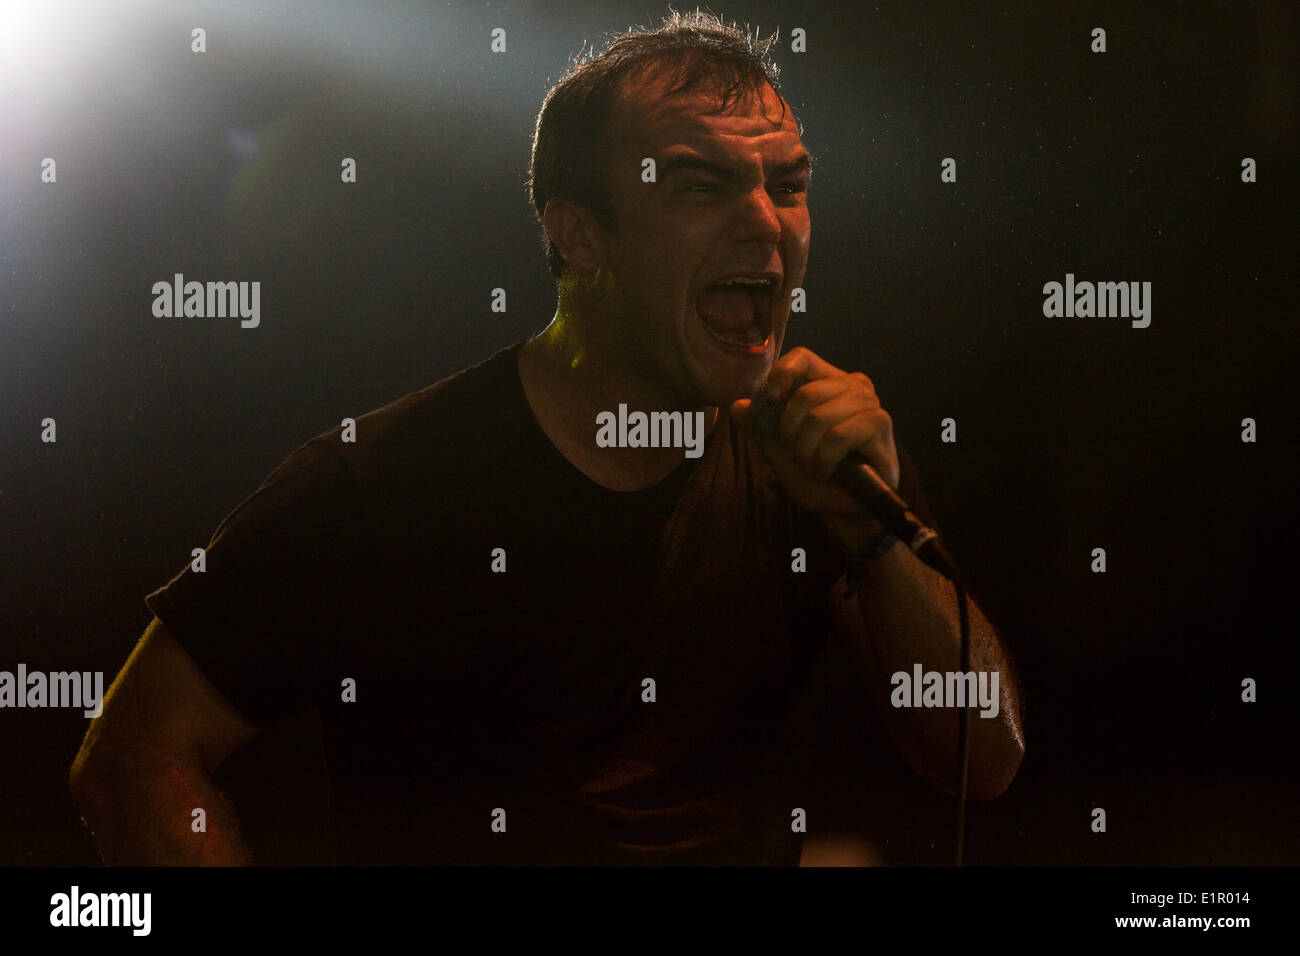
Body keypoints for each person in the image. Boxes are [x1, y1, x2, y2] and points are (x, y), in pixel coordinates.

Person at [70, 11, 1024, 865]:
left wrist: (873, 535)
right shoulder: (382, 485)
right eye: (701, 184)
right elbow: (137, 755)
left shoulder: (821, 463)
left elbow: (984, 761)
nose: (768, 224)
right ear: (579, 235)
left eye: (791, 183)